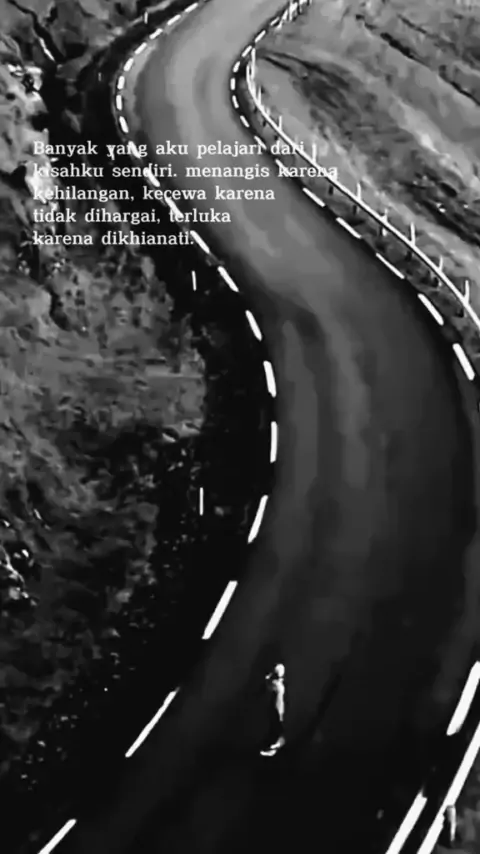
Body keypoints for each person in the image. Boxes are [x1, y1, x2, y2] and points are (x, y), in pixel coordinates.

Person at [260, 663, 286, 757]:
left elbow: (269, 686)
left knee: (276, 727)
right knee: (276, 727)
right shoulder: (279, 684)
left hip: (276, 709)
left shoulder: (276, 684)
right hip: (277, 709)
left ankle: (274, 745)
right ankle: (274, 745)